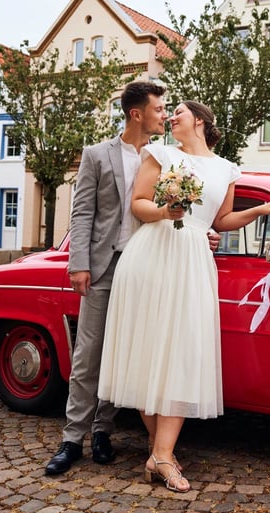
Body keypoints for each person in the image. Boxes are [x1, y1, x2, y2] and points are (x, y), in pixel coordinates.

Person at [97, 100, 270, 492]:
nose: (170, 118)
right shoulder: (160, 153)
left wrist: (262, 210)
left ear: (199, 120)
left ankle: (159, 454)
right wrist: (166, 212)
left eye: (178, 112)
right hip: (151, 255)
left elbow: (221, 221)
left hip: (194, 260)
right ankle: (161, 453)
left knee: (183, 351)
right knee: (149, 352)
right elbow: (138, 204)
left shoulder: (226, 168)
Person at [45, 82, 222, 475]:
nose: (166, 115)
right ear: (136, 114)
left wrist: (203, 230)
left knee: (128, 350)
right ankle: (72, 441)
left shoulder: (173, 157)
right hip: (106, 264)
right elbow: (82, 213)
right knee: (89, 354)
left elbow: (198, 209)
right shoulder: (97, 155)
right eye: (160, 109)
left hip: (152, 267)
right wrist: (79, 263)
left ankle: (102, 431)